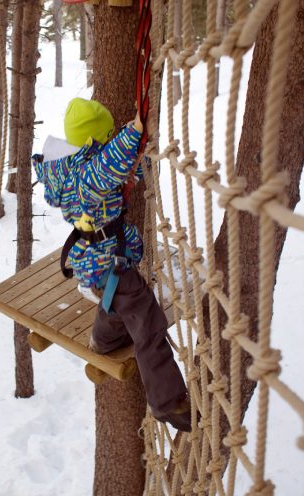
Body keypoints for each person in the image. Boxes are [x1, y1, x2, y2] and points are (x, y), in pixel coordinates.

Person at [31, 97, 191, 431]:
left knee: (117, 304)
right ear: (93, 141)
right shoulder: (89, 175)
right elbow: (109, 162)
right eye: (103, 138)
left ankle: (103, 341)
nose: (107, 144)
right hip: (106, 261)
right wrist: (135, 128)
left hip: (99, 261)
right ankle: (168, 402)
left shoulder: (68, 166)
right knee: (148, 321)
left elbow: (106, 158)